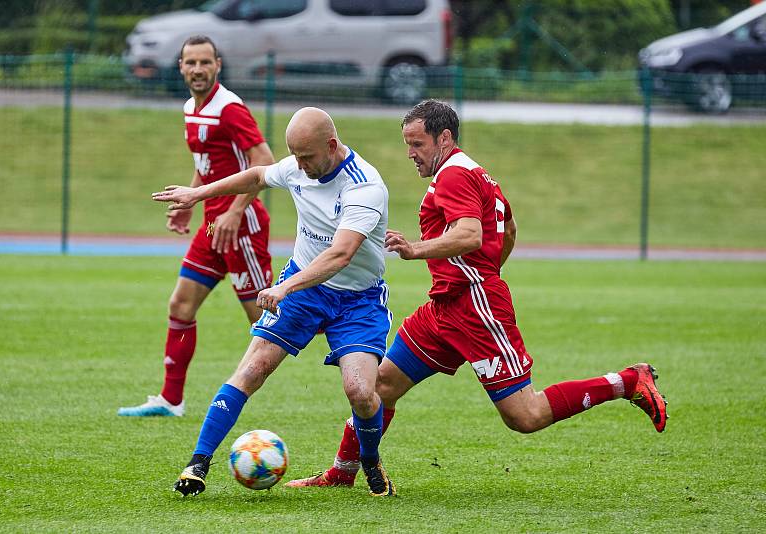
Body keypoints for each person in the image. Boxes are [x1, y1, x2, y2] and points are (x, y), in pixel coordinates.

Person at [285, 100, 669, 489]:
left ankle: (628, 381)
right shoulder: (474, 172)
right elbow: (511, 228)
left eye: (417, 144)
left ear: (444, 138)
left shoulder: (453, 175)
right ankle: (342, 473)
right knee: (380, 386)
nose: (410, 154)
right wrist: (481, 270)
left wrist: (425, 253)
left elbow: (471, 234)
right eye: (407, 144)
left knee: (525, 415)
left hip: (475, 308)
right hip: (444, 307)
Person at [152, 107, 397, 498]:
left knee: (360, 392)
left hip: (357, 300)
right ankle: (197, 464)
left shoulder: (365, 187)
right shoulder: (299, 165)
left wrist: (284, 288)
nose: (298, 166)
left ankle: (369, 461)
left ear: (331, 146)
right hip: (305, 290)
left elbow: (340, 255)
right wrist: (198, 193)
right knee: (251, 370)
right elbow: (257, 175)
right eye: (294, 156)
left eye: (306, 157)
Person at [118, 36, 275, 418]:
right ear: (181, 67)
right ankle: (171, 400)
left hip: (241, 228)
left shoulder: (230, 109)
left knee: (267, 320)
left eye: (205, 62)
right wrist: (193, 201)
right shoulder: (191, 107)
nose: (198, 69)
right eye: (191, 63)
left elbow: (265, 162)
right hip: (211, 227)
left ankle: (339, 328)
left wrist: (236, 211)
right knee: (180, 304)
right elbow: (207, 164)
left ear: (218, 65)